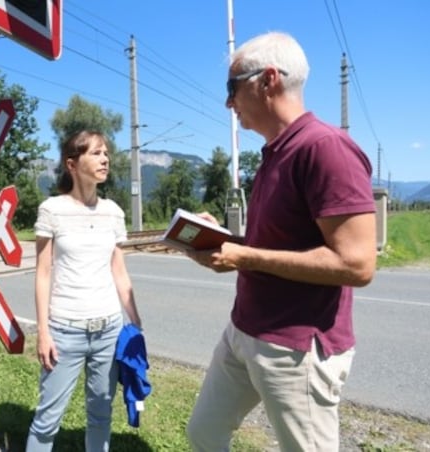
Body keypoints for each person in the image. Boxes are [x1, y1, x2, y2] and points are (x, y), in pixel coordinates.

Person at [185, 32, 377, 451]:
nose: (228, 103)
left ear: (268, 80)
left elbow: (357, 264)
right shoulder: (275, 152)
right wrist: (225, 239)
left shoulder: (326, 149)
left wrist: (245, 256)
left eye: (232, 87)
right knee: (203, 433)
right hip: (244, 330)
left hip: (295, 348)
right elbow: (276, 242)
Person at [26, 130, 142, 452]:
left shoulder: (114, 212)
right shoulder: (52, 210)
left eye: (106, 153)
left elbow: (119, 272)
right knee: (48, 419)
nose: (105, 159)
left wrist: (136, 326)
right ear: (72, 164)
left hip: (108, 331)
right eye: (96, 153)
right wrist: (43, 333)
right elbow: (43, 273)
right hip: (65, 332)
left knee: (101, 416)